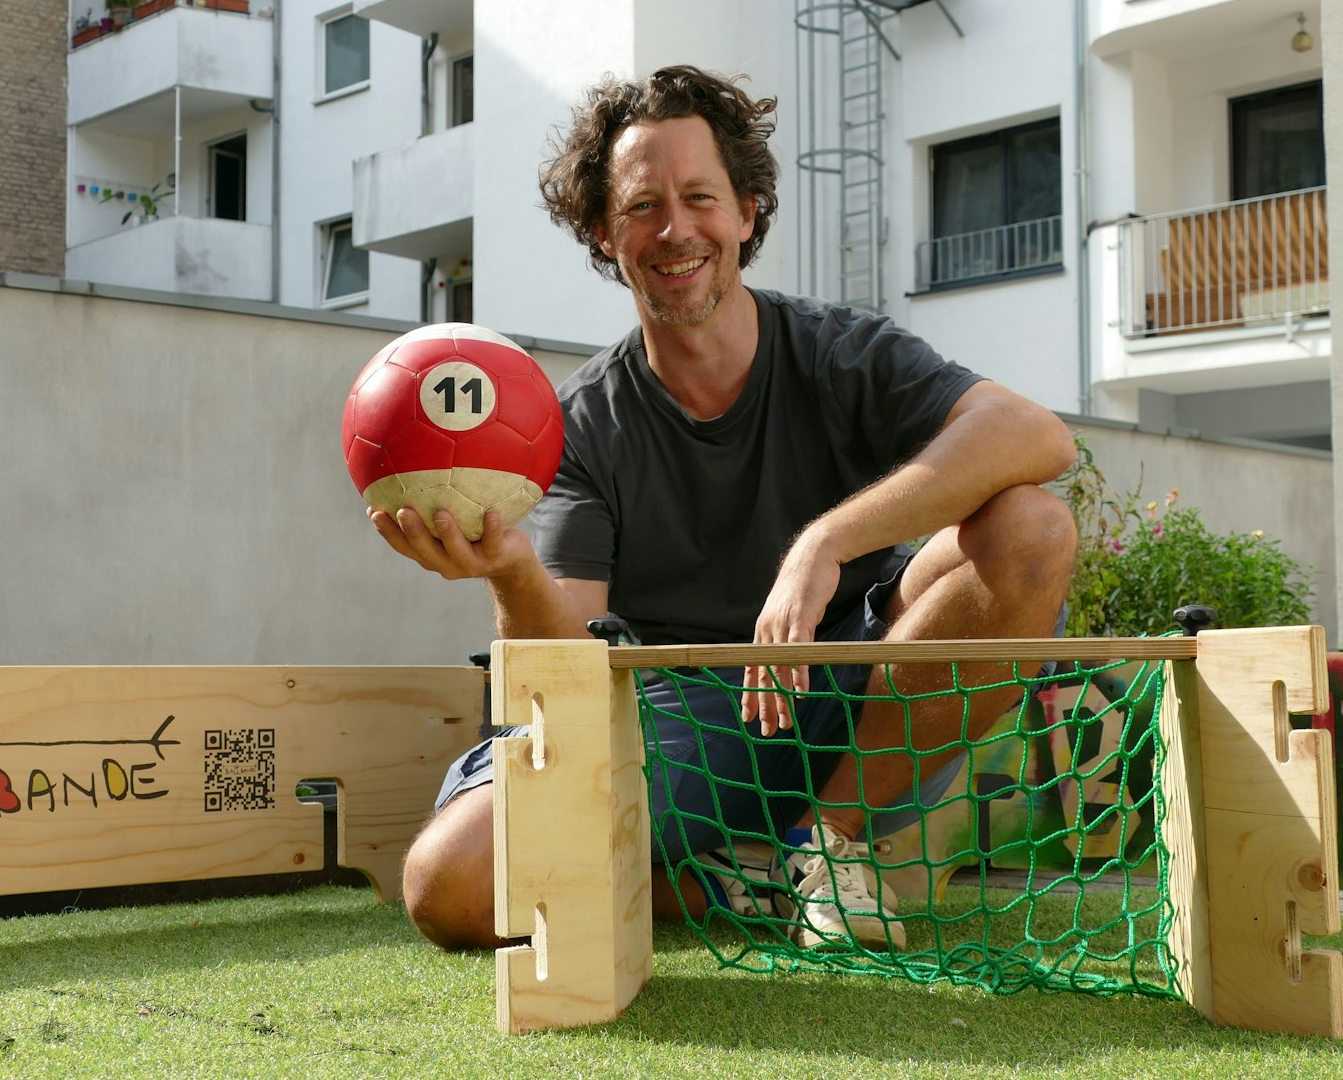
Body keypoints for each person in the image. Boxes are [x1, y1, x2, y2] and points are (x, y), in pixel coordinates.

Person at [374, 65, 1076, 954]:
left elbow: (1036, 435)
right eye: (641, 206)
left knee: (1033, 527)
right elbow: (568, 661)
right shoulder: (576, 425)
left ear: (746, 211)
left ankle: (835, 844)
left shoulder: (839, 351)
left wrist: (825, 542)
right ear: (603, 230)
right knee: (451, 885)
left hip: (857, 706)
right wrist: (510, 569)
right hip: (677, 725)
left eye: (700, 196)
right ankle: (739, 880)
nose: (675, 229)